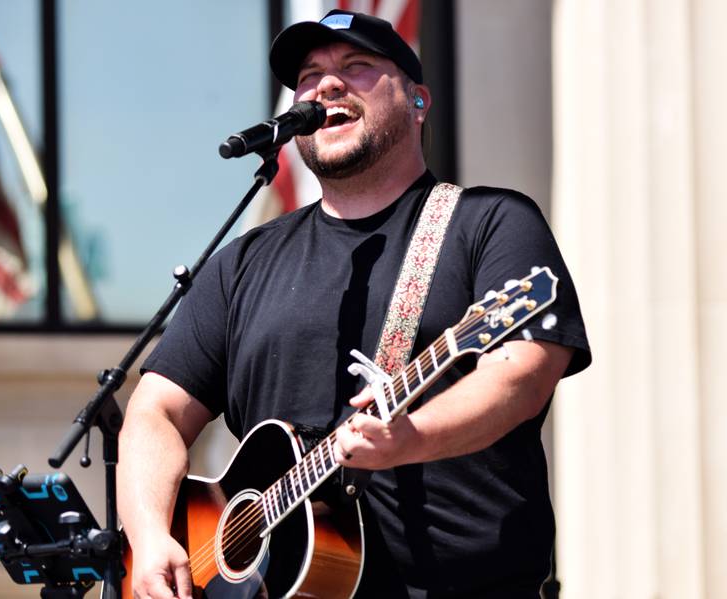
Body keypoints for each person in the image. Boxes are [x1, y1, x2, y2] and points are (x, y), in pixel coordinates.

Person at [117, 9, 590, 599]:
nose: (327, 85)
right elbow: (155, 410)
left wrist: (411, 437)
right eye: (310, 75)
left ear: (418, 101)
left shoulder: (488, 223)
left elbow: (522, 374)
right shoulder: (242, 263)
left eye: (357, 66)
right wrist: (149, 534)